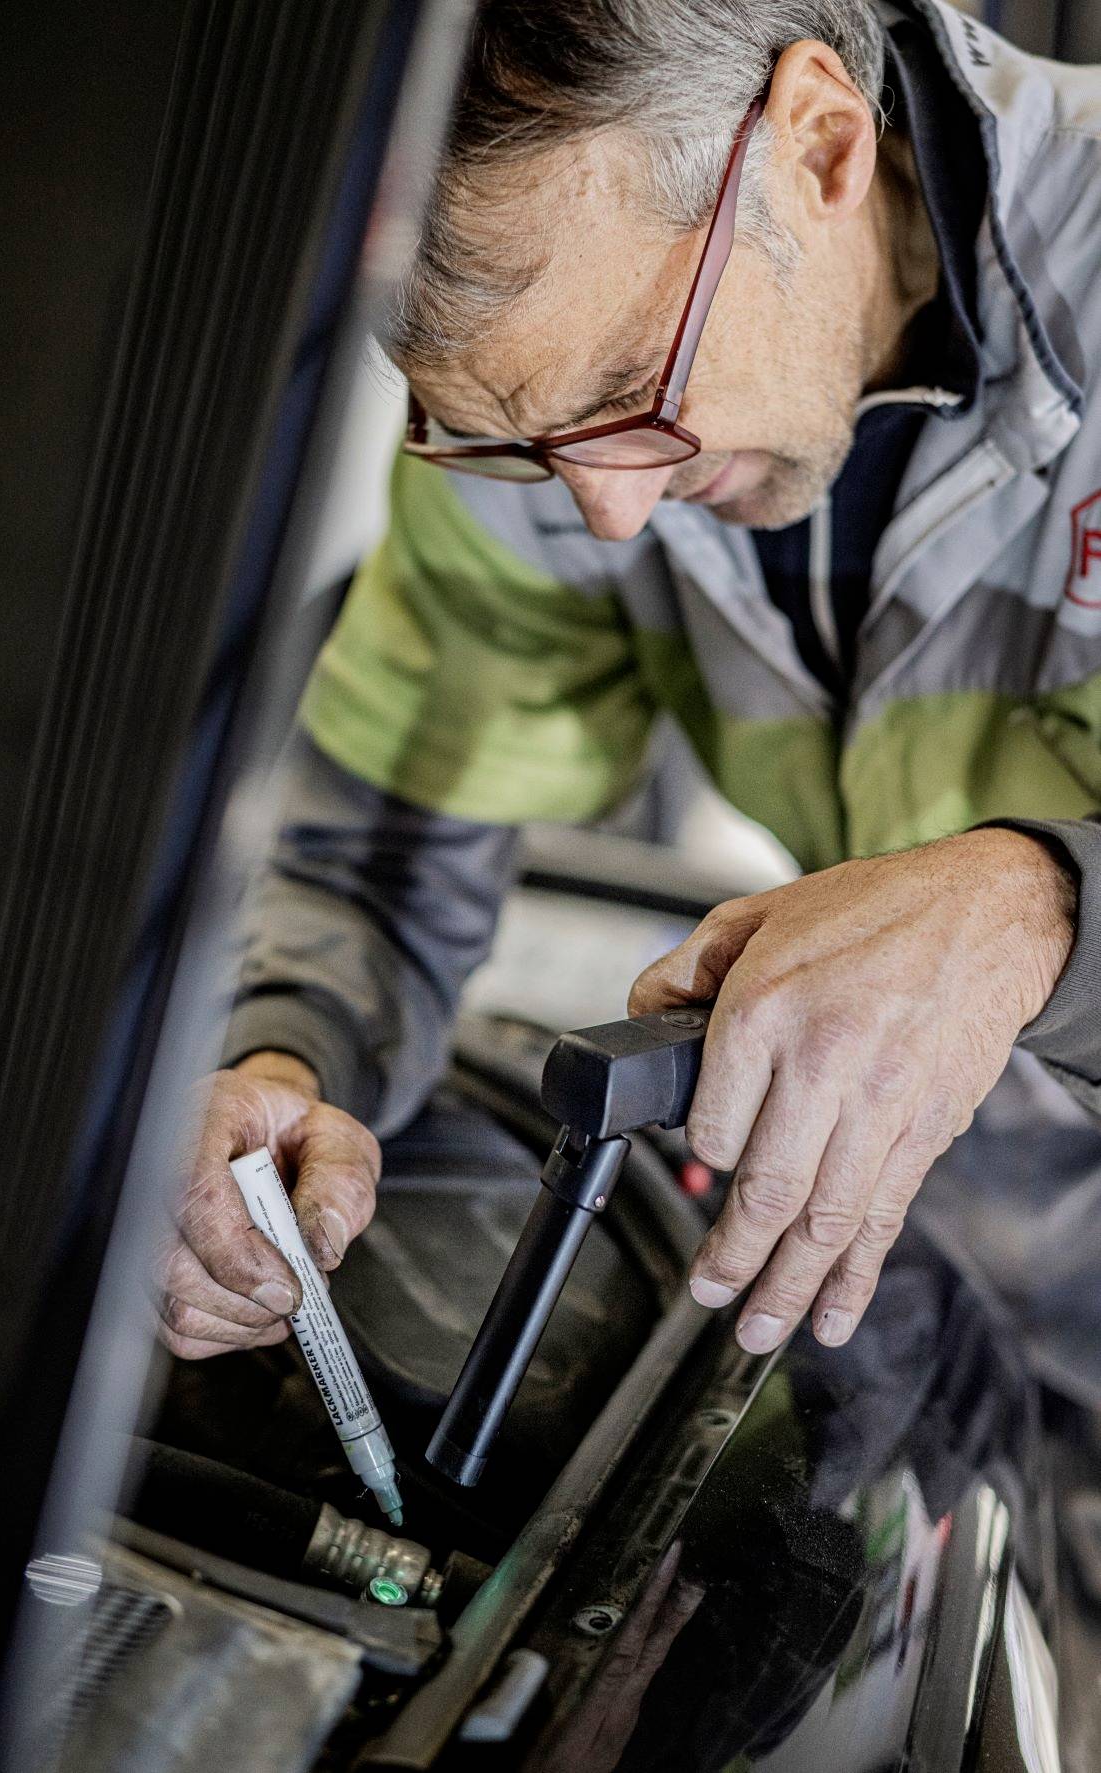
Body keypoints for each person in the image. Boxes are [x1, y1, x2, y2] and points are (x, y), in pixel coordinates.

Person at [155, 0, 1101, 1409]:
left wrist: (1040, 908)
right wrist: (281, 1058)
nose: (606, 514)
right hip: (951, 1332)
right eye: (510, 441)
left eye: (626, 389)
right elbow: (376, 862)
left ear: (823, 146)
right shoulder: (537, 438)